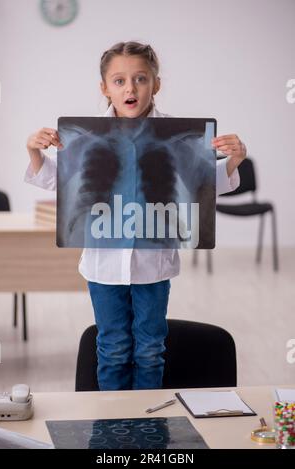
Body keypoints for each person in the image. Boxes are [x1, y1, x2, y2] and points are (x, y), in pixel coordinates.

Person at [25, 41, 246, 391]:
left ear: (156, 84)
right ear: (104, 88)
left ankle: (145, 422)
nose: (130, 88)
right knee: (112, 347)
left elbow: (200, 186)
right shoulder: (83, 137)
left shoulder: (181, 136)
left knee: (150, 348)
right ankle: (112, 423)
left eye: (141, 79)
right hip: (103, 264)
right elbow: (56, 180)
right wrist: (34, 152)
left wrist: (233, 161)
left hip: (154, 263)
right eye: (119, 80)